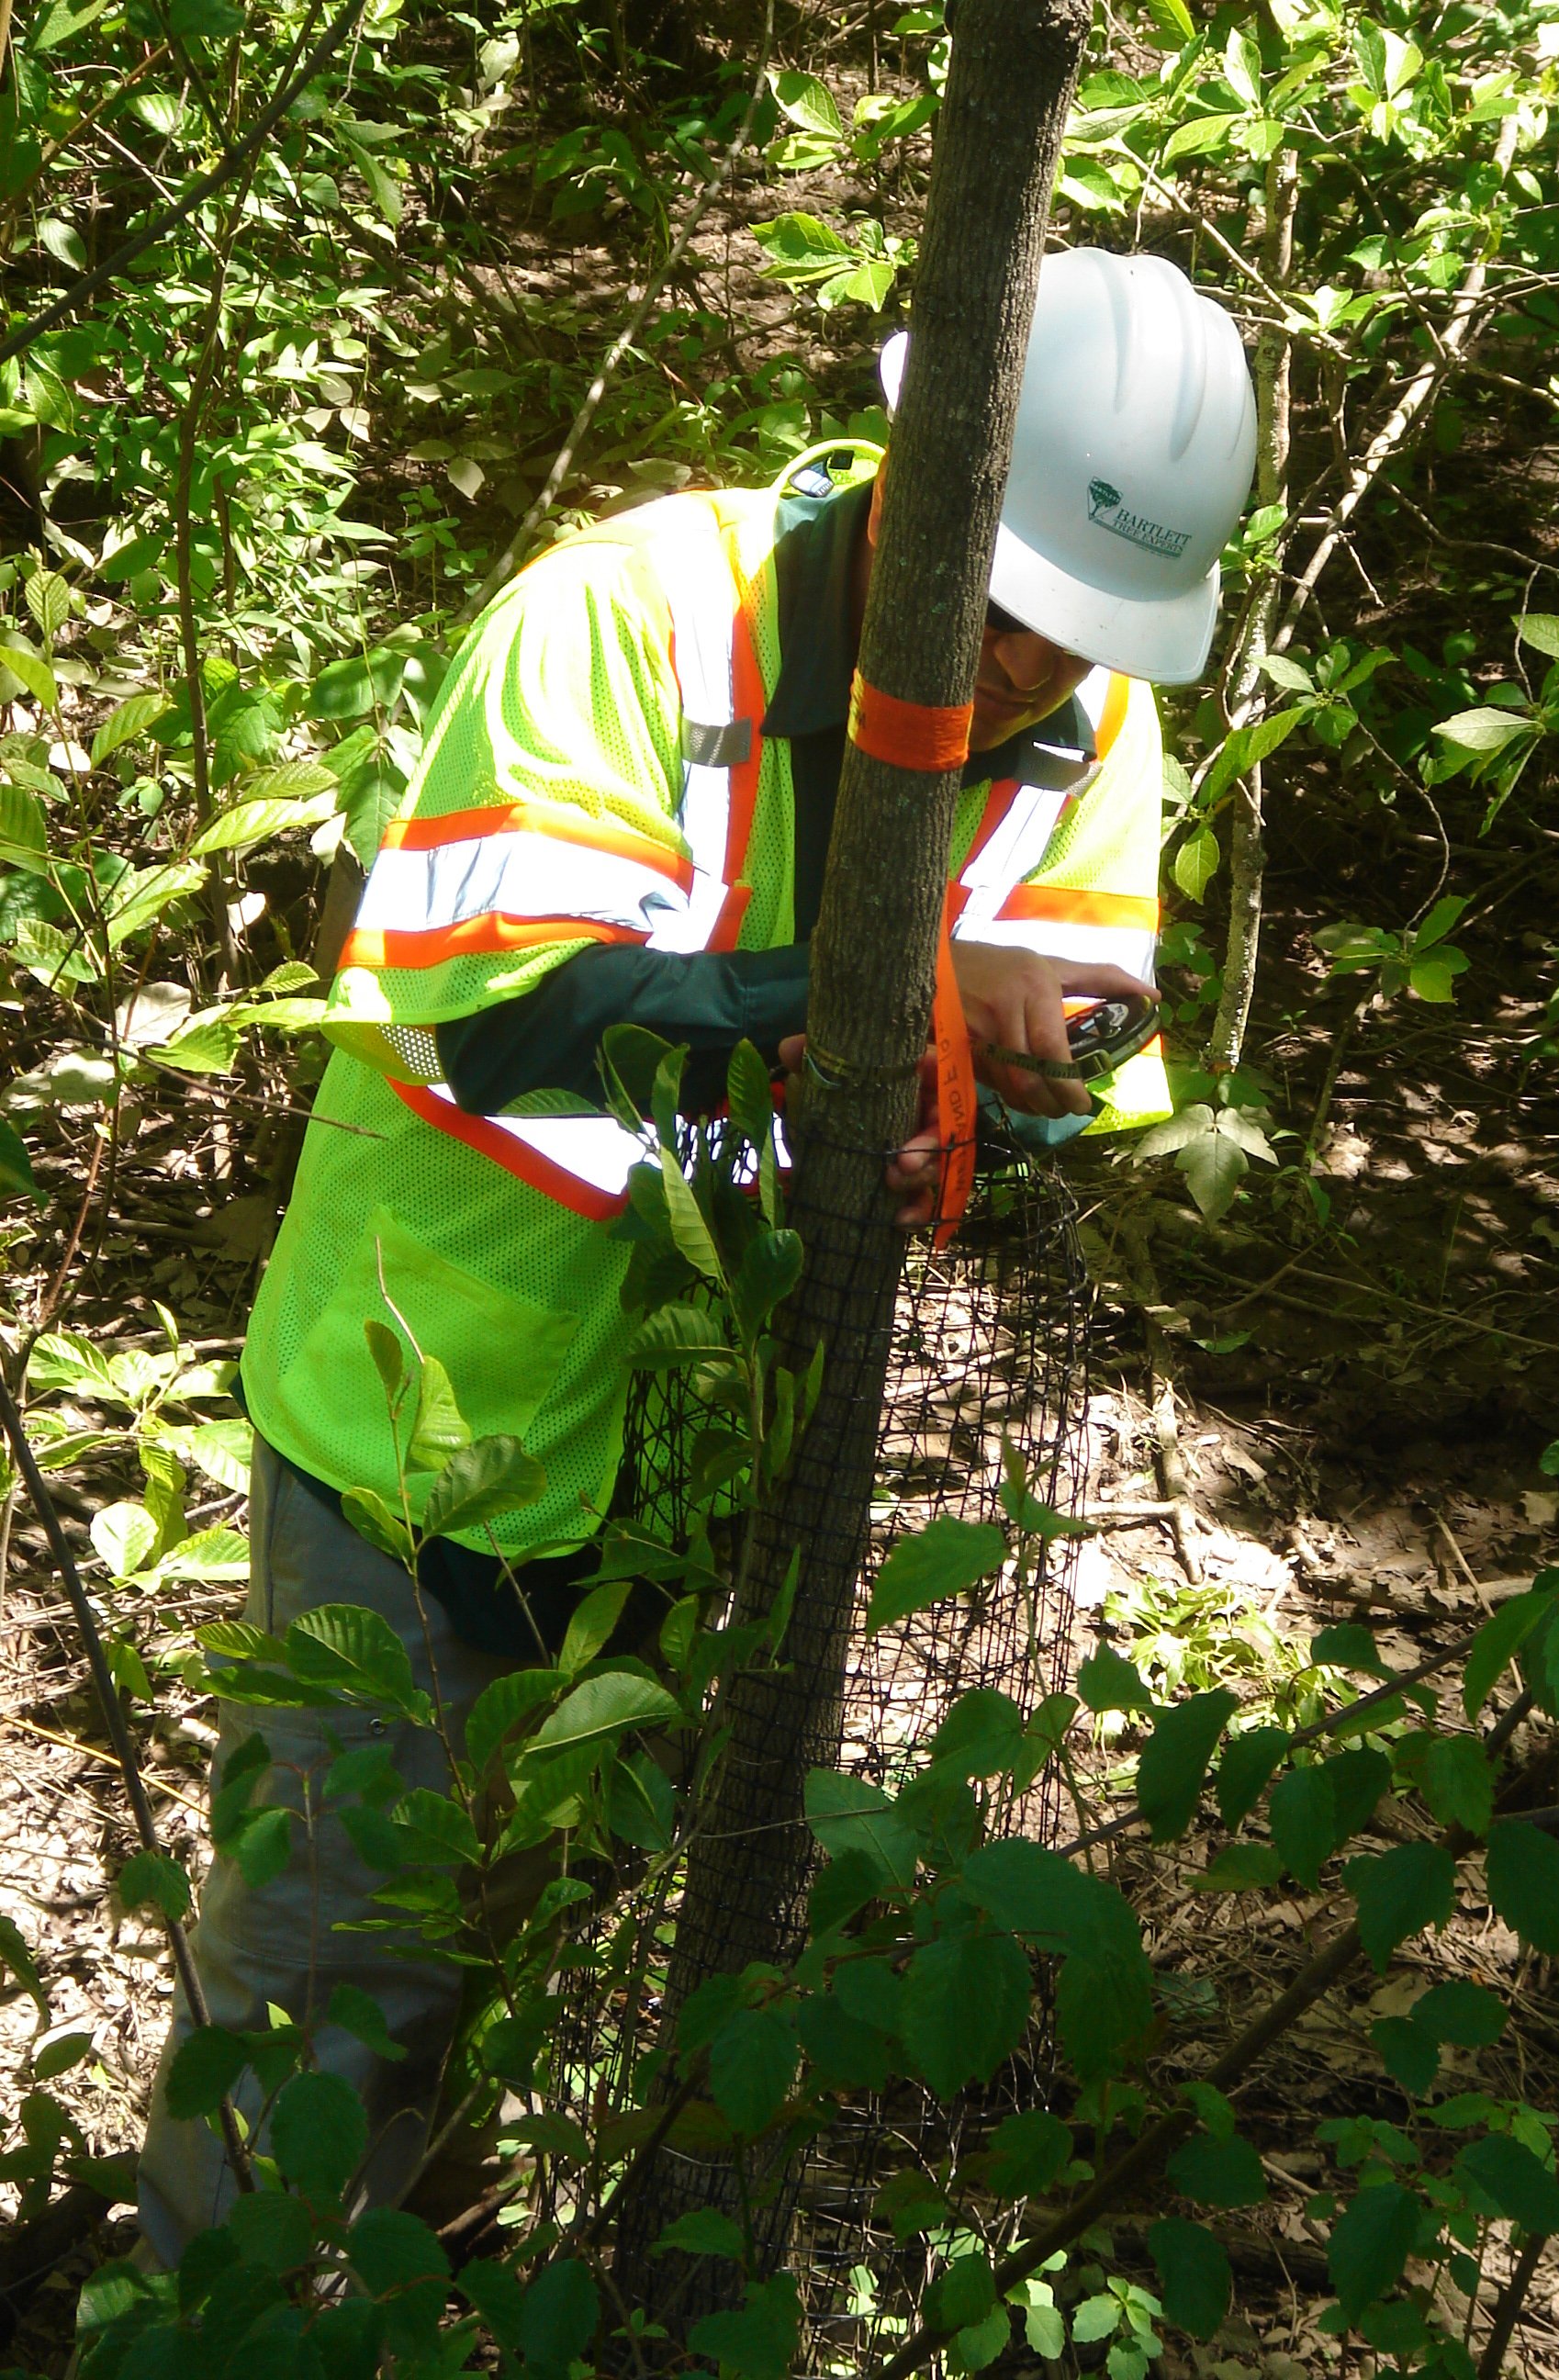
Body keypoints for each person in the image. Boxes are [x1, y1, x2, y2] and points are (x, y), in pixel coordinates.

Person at [134, 245, 1258, 2262]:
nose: (1017, 666)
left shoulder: (1090, 717)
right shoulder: (634, 612)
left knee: (533, 1928)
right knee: (327, 1958)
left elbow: (1093, 1031)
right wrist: (869, 983)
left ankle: (416, 2270)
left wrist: (1006, 1072)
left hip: (712, 1444)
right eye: (996, 605)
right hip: (426, 1421)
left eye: (1069, 635)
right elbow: (484, 1009)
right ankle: (225, 2308)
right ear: (912, 462)